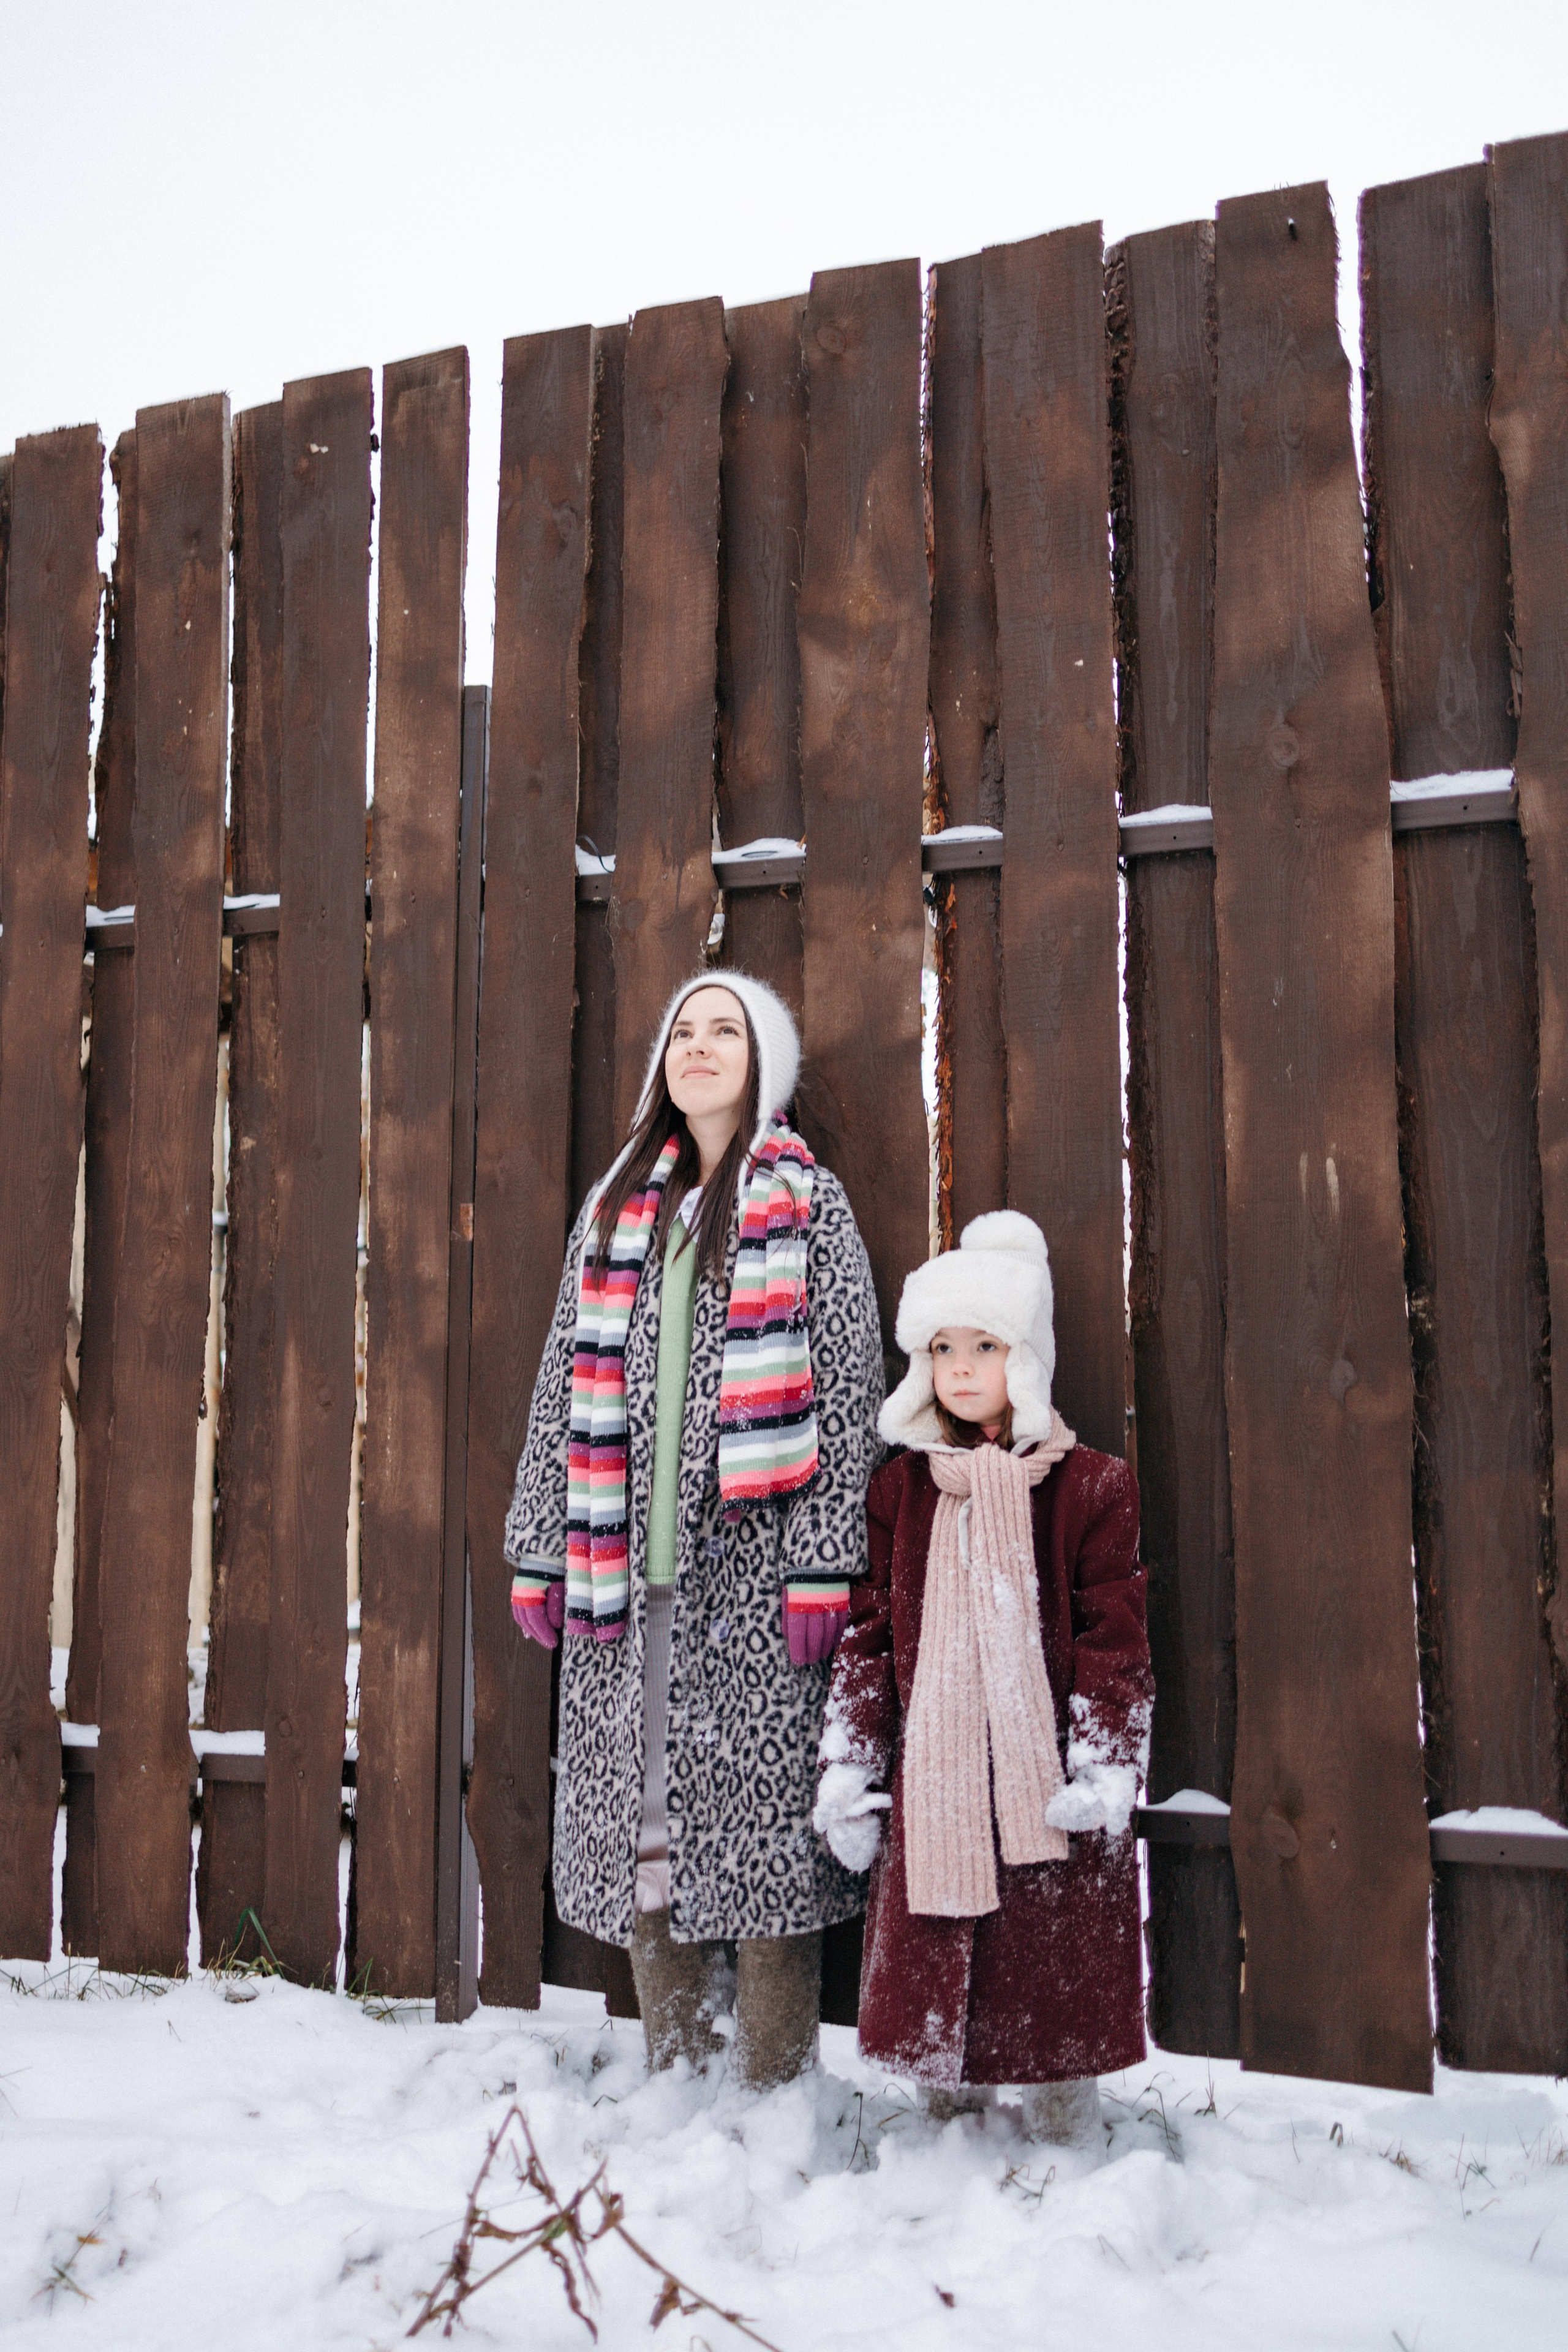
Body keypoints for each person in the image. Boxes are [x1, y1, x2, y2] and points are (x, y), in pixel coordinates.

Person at [506, 971, 883, 2090]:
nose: (700, 1048)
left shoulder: (808, 1206)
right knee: (645, 1823)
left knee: (765, 1830)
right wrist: (539, 1540)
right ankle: (676, 2073)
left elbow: (851, 1384)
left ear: (762, 1065)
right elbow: (556, 1382)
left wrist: (824, 1559)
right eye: (684, 1032)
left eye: (727, 1032)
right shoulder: (619, 1210)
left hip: (755, 1580)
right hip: (622, 1571)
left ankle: (772, 2087)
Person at [813, 1211, 1151, 2154]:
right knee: (938, 1989)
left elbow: (1113, 1636)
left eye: (986, 1346)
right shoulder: (902, 1493)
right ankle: (945, 2133)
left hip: (1043, 1790)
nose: (961, 1369)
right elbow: (871, 1638)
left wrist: (1105, 1763)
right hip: (940, 1785)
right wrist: (849, 1765)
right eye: (942, 1348)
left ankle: (1064, 2131)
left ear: (1028, 1357)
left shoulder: (1091, 1489)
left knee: (1048, 1990)